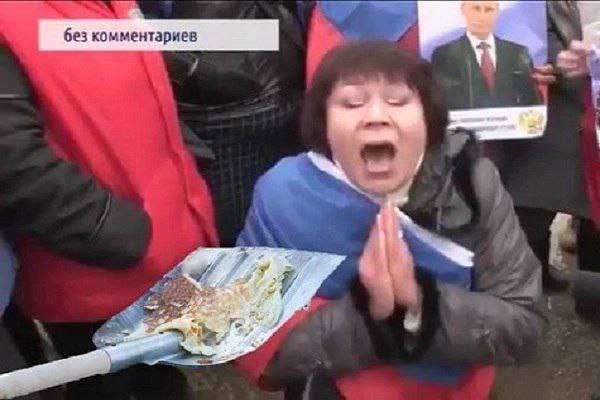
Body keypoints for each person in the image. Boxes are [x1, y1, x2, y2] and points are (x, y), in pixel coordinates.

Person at [234, 41, 544, 400]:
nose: (376, 116)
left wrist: (420, 304)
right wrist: (369, 315)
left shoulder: (472, 183)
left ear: (428, 120)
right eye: (352, 103)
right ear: (323, 123)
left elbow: (525, 327)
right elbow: (249, 342)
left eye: (397, 101)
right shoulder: (284, 193)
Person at [0, 1, 218, 399]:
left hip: (160, 256)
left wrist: (186, 158)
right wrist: (122, 234)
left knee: (161, 378)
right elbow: (12, 160)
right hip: (95, 277)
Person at [430, 1, 542, 110]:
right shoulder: (445, 55)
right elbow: (442, 104)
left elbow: (533, 103)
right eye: (476, 9)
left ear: (497, 12)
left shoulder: (518, 53)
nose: (482, 17)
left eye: (488, 10)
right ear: (464, 11)